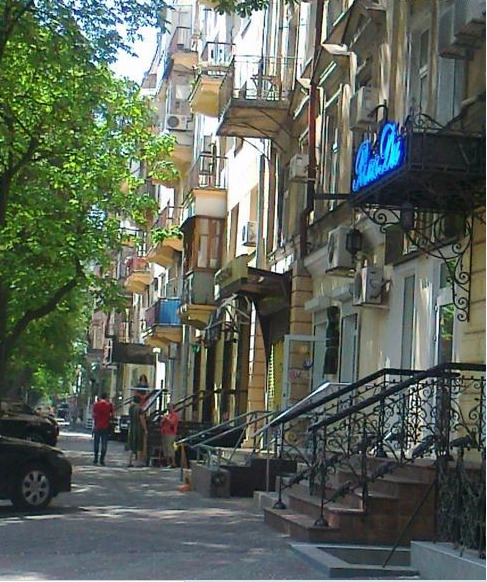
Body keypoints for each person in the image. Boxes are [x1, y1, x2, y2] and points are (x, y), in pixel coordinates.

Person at [92, 393, 114, 466]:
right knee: (104, 444)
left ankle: (95, 459)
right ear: (106, 397)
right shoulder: (109, 405)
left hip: (97, 426)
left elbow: (93, 414)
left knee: (96, 443)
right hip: (105, 426)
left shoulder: (96, 404)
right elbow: (112, 415)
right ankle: (102, 460)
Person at [127, 394, 148, 467]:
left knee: (131, 445)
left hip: (132, 427)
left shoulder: (131, 408)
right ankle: (139, 462)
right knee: (139, 445)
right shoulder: (139, 409)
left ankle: (129, 462)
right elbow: (142, 419)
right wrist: (145, 429)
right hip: (138, 428)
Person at [161, 403, 179, 468]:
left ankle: (173, 463)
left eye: (169, 407)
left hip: (171, 433)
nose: (168, 408)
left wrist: (166, 418)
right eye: (168, 407)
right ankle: (168, 462)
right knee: (165, 448)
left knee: (170, 447)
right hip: (165, 432)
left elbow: (172, 422)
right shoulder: (168, 415)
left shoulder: (174, 415)